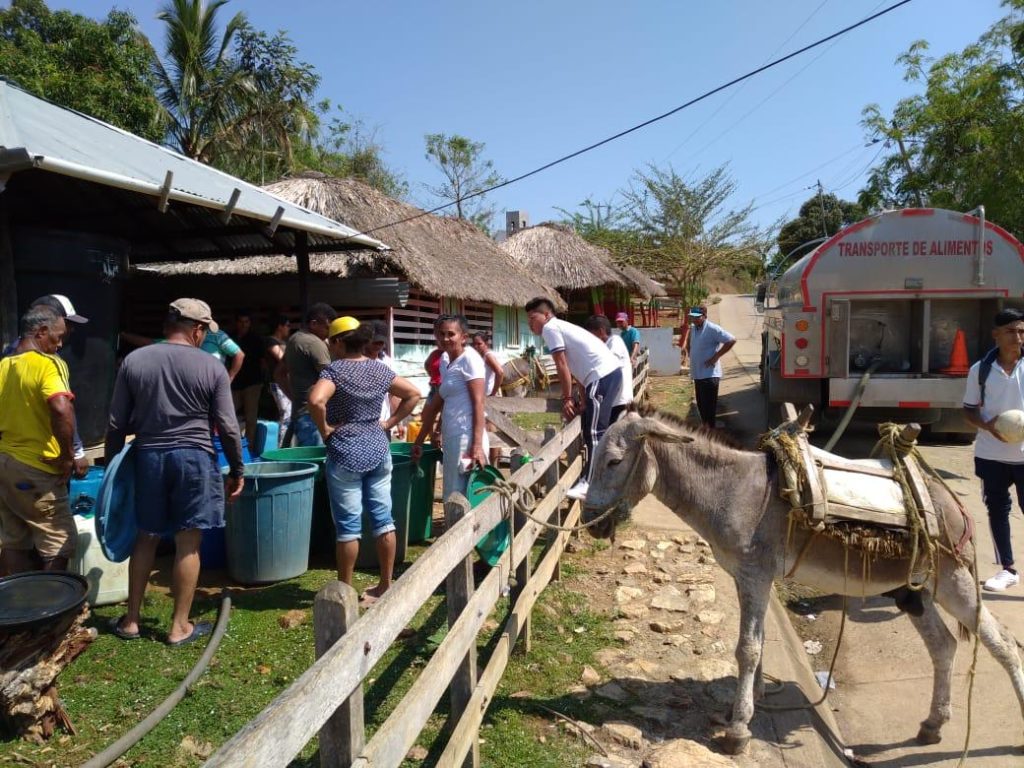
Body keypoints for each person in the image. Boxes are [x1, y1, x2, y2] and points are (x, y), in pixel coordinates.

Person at [106, 299, 245, 646]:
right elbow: (228, 426)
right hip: (194, 459)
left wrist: (112, 470)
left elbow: (115, 423)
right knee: (188, 541)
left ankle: (132, 620)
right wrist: (237, 469)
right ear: (197, 329)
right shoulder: (211, 366)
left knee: (146, 535)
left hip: (148, 455)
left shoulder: (134, 361)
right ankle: (178, 626)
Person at [308, 317, 420, 603]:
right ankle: (385, 584)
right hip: (378, 448)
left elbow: (316, 401)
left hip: (345, 451)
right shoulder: (379, 369)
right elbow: (413, 394)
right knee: (383, 520)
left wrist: (325, 430)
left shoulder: (334, 371)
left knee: (348, 527)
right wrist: (389, 422)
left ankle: (345, 590)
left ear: (337, 342)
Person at [0, 305, 77, 575]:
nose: (60, 344)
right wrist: (68, 456)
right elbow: (60, 407)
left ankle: (10, 610)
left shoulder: (4, 365)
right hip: (37, 468)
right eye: (58, 336)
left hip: (5, 464)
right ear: (42, 332)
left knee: (14, 542)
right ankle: (50, 613)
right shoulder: (48, 363)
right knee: (60, 541)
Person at [524, 298, 622, 500]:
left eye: (533, 318)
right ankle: (596, 477)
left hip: (601, 376)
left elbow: (562, 365)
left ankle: (590, 482)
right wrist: (584, 399)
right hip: (605, 375)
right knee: (590, 429)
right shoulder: (561, 327)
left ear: (546, 315)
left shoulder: (551, 328)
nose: (530, 324)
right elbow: (577, 368)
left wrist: (567, 397)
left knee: (595, 433)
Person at [963, 308, 1024, 591]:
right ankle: (1008, 569)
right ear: (996, 335)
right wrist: (989, 427)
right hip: (991, 455)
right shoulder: (980, 370)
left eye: (1022, 331)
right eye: (1011, 331)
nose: (1018, 337)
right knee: (998, 510)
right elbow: (969, 409)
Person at [2, 294, 90, 478]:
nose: (70, 330)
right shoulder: (49, 361)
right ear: (45, 323)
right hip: (44, 463)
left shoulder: (8, 357)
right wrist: (74, 453)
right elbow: (61, 409)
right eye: (66, 323)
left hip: (9, 460)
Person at [412, 315, 489, 503]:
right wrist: (420, 440)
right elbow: (437, 404)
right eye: (441, 334)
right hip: (452, 436)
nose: (445, 338)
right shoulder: (446, 360)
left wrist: (477, 446)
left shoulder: (470, 359)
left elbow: (478, 403)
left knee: (462, 495)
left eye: (451, 334)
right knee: (452, 491)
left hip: (467, 437)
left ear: (463, 337)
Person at [283, 302, 337, 446]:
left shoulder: (294, 339)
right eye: (327, 327)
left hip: (301, 411)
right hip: (313, 415)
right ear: (313, 324)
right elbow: (332, 378)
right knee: (318, 462)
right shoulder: (314, 343)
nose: (329, 332)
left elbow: (278, 373)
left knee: (307, 462)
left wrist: (295, 397)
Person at [687, 305, 735, 429]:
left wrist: (716, 357)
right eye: (692, 317)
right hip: (698, 375)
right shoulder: (693, 329)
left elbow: (731, 340)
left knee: (708, 410)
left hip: (709, 375)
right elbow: (692, 344)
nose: (694, 319)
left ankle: (711, 436)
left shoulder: (712, 329)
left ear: (704, 316)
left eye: (697, 317)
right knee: (701, 407)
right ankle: (707, 433)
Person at [585, 315, 634, 423]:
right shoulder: (606, 345)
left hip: (620, 400)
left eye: (592, 335)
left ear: (601, 331)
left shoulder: (614, 341)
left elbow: (607, 366)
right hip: (614, 400)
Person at [230, 310, 267, 448]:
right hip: (235, 383)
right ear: (236, 323)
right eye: (241, 322)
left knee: (251, 418)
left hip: (253, 382)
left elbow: (263, 362)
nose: (244, 325)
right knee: (229, 415)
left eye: (246, 322)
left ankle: (249, 447)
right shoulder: (230, 338)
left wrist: (262, 381)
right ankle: (233, 446)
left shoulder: (256, 339)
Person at [366, 320, 402, 438]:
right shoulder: (355, 361)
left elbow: (393, 394)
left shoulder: (386, 362)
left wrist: (398, 422)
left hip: (382, 424)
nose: (378, 345)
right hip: (360, 425)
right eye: (375, 342)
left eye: (381, 342)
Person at [266, 315, 292, 448]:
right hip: (277, 383)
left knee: (289, 415)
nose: (289, 328)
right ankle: (282, 446)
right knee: (286, 415)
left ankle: (286, 445)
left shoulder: (285, 342)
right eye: (287, 325)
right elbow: (281, 358)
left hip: (287, 383)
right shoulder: (271, 342)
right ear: (279, 327)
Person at [471, 331, 505, 397]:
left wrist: (493, 393)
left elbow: (500, 372)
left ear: (486, 344)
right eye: (474, 344)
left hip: (488, 395)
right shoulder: (480, 355)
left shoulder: (488, 356)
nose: (476, 346)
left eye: (479, 344)